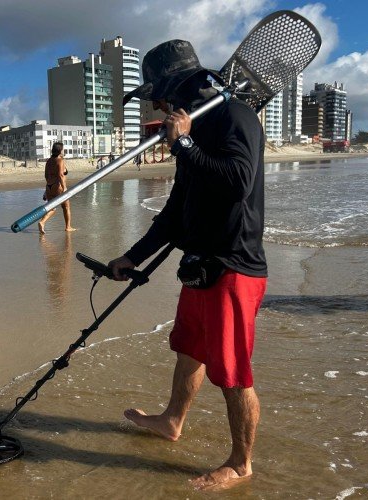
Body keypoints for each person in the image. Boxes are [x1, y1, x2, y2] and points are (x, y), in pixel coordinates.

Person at [108, 40, 267, 490]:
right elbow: (177, 211)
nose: (158, 104)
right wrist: (131, 257)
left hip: (234, 266)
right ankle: (172, 420)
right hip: (199, 264)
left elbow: (239, 181)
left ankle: (240, 463)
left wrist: (185, 147)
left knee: (233, 373)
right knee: (190, 350)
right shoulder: (194, 127)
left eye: (159, 94)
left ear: (179, 87)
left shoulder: (235, 117)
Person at [38, 142, 75, 234]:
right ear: (60, 150)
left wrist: (46, 191)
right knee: (66, 207)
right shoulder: (60, 160)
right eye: (63, 149)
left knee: (52, 208)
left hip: (49, 186)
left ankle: (42, 222)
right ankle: (68, 227)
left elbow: (46, 175)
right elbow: (61, 175)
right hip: (58, 186)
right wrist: (64, 188)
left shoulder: (49, 161)